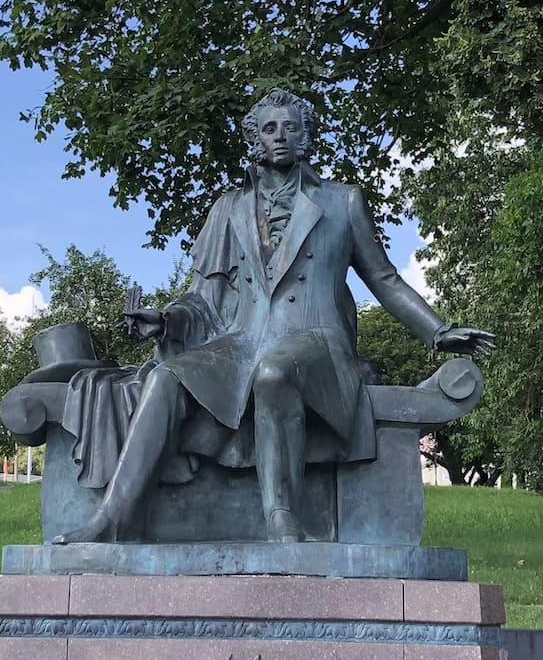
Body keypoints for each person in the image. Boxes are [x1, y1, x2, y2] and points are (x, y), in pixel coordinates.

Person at [54, 89, 494, 544]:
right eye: (269, 128)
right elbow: (203, 297)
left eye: (291, 126)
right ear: (254, 141)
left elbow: (384, 279)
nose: (280, 135)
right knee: (165, 376)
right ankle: (112, 517)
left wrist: (437, 330)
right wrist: (165, 321)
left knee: (274, 371)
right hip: (242, 342)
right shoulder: (230, 208)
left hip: (316, 341)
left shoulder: (342, 202)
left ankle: (281, 516)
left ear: (308, 136)